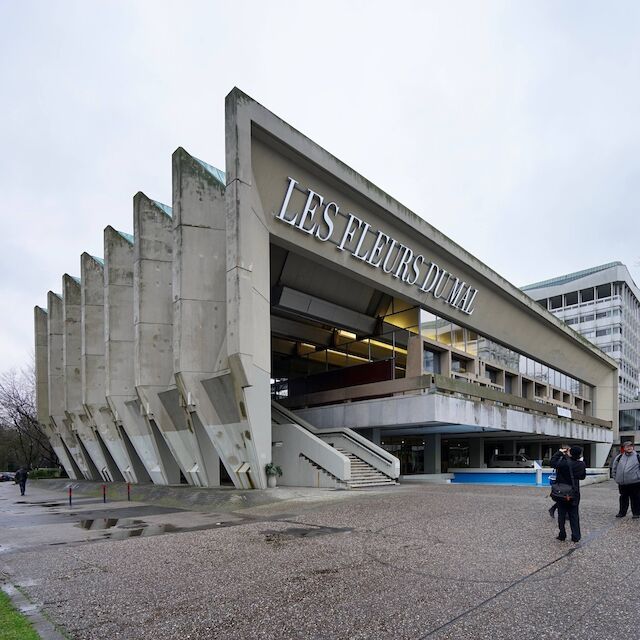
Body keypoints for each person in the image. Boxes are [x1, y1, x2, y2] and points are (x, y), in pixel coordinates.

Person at [550, 445, 586, 542]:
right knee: (574, 515)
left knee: (561, 514)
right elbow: (582, 477)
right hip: (574, 492)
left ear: (570, 453)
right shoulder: (581, 464)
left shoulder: (564, 463)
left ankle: (562, 534)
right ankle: (576, 536)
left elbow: (552, 462)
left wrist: (560, 452)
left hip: (561, 492)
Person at [611, 441, 640, 519]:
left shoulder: (637, 456)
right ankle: (622, 512)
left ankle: (636, 513)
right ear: (624, 448)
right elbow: (614, 468)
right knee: (623, 498)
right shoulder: (619, 457)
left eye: (631, 446)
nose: (629, 447)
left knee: (635, 498)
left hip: (635, 482)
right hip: (622, 483)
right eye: (627, 446)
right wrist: (616, 478)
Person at [548, 444, 570, 518]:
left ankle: (553, 509)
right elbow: (552, 463)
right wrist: (560, 453)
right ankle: (564, 514)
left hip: (567, 482)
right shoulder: (561, 459)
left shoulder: (564, 459)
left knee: (566, 498)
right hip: (562, 482)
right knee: (564, 497)